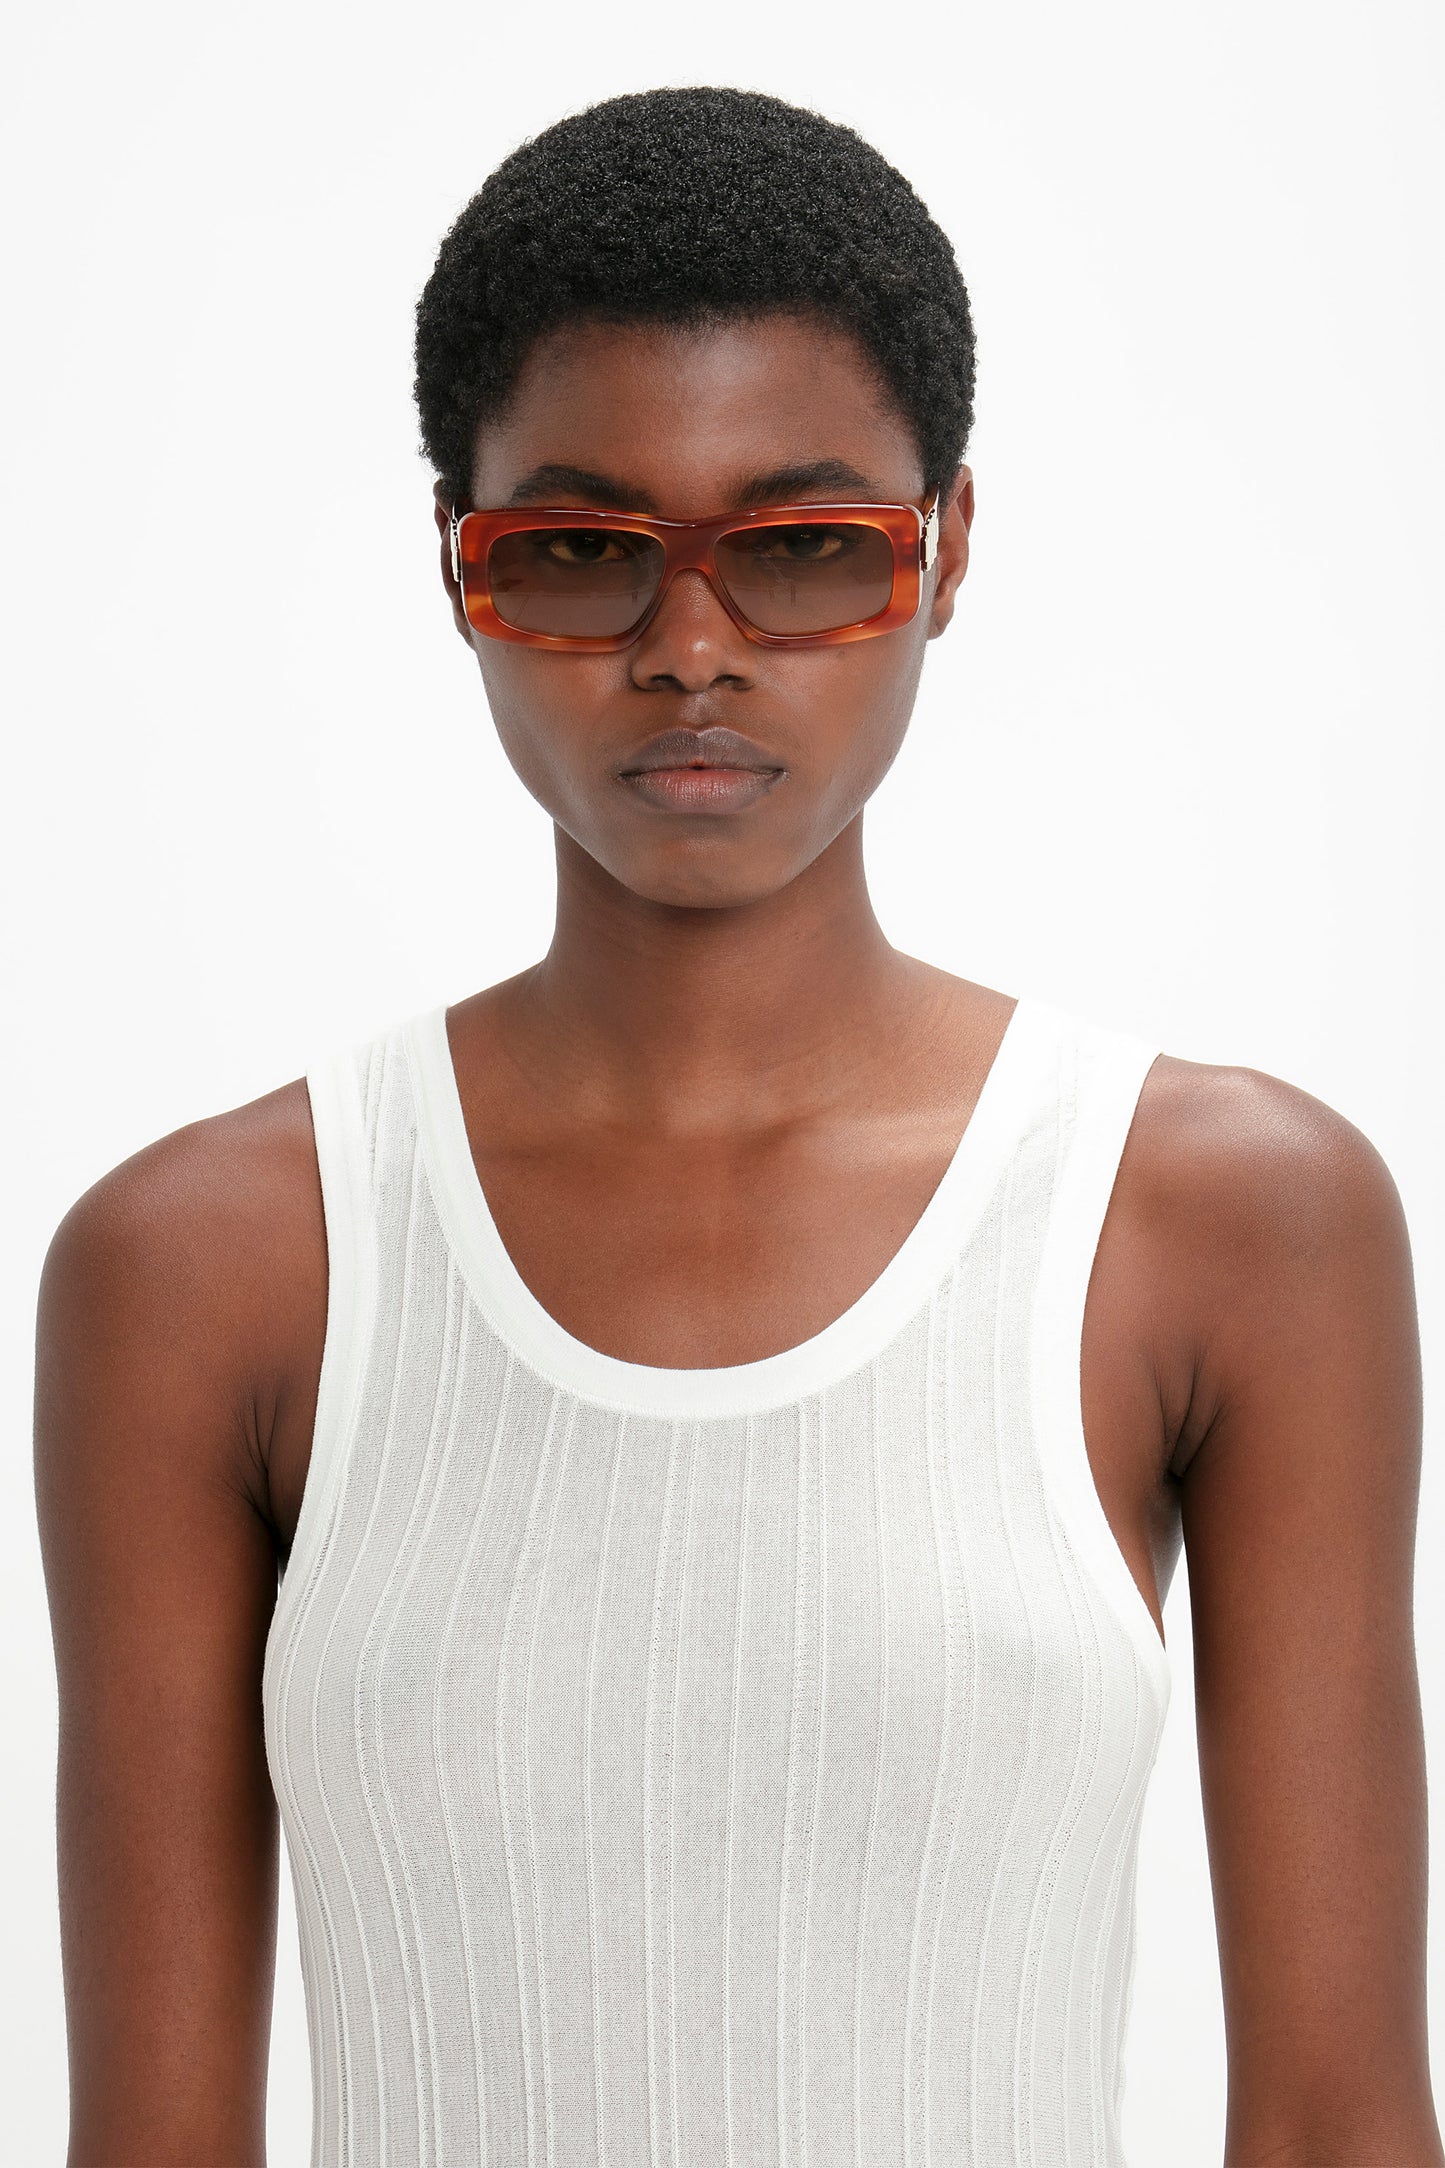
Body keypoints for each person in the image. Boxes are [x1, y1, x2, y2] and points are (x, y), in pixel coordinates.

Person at [33, 84, 1440, 2168]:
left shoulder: (1226, 1222)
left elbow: (1340, 2119)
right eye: (582, 550)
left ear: (947, 548)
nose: (690, 652)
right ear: (459, 564)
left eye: (802, 548)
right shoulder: (209, 1265)